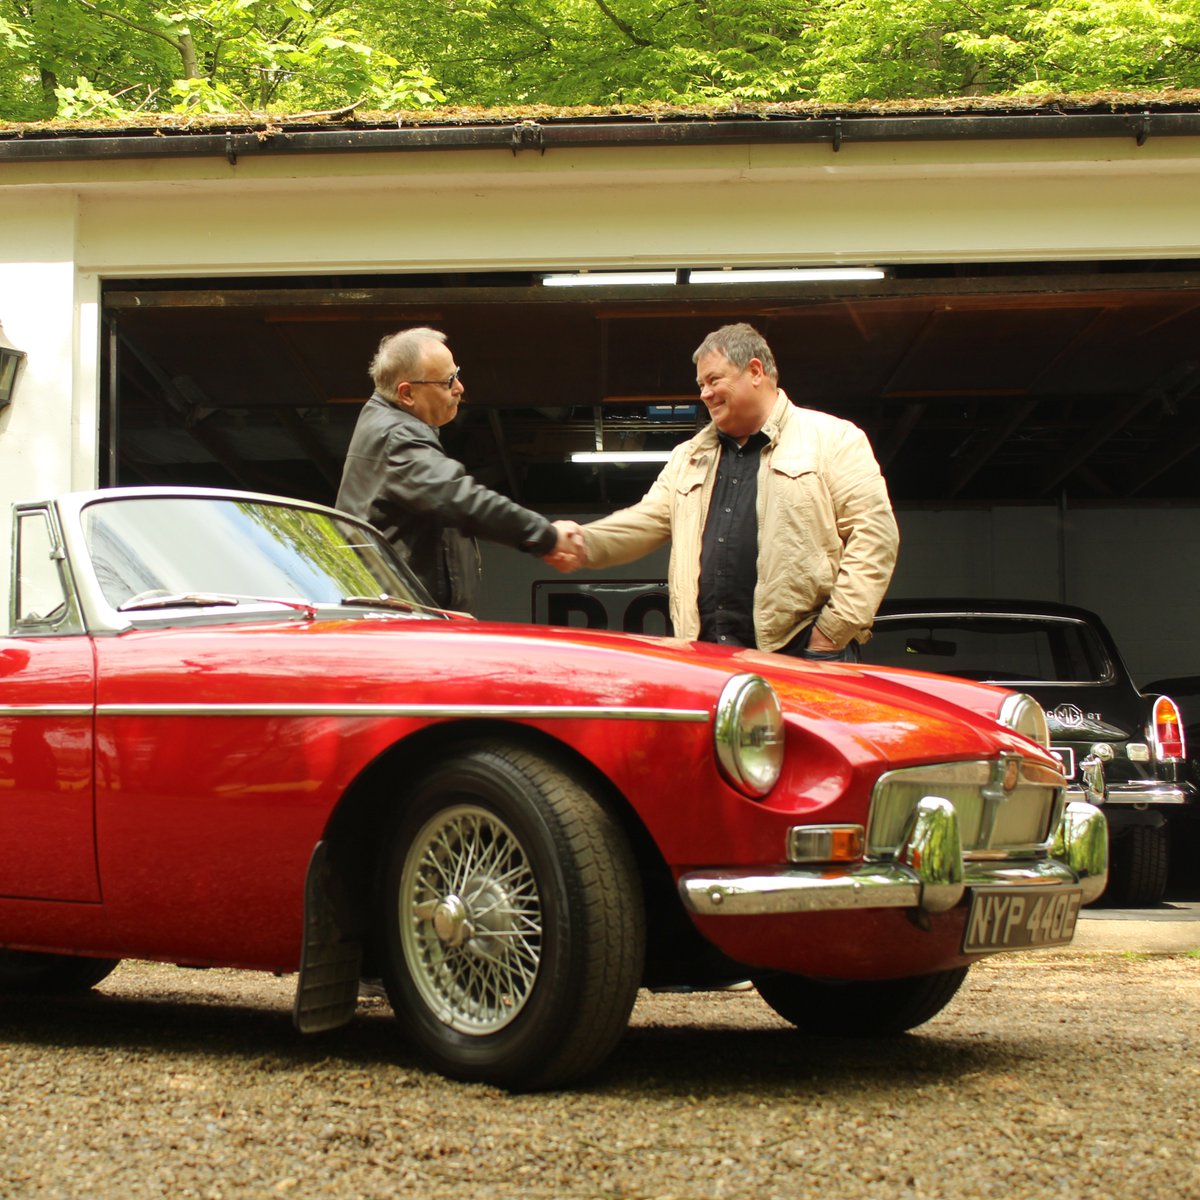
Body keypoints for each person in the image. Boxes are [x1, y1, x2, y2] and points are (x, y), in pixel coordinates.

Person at [567, 323, 898, 660]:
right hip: (708, 660)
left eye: (713, 380)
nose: (704, 394)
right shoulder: (689, 457)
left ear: (755, 371)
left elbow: (875, 538)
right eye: (700, 384)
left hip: (804, 655)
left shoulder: (833, 439)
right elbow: (644, 522)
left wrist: (832, 632)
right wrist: (580, 541)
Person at [336, 327, 581, 612]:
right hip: (401, 625)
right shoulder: (396, 438)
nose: (460, 387)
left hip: (408, 619)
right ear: (407, 393)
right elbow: (458, 497)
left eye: (457, 373)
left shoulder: (390, 426)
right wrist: (546, 536)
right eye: (447, 381)